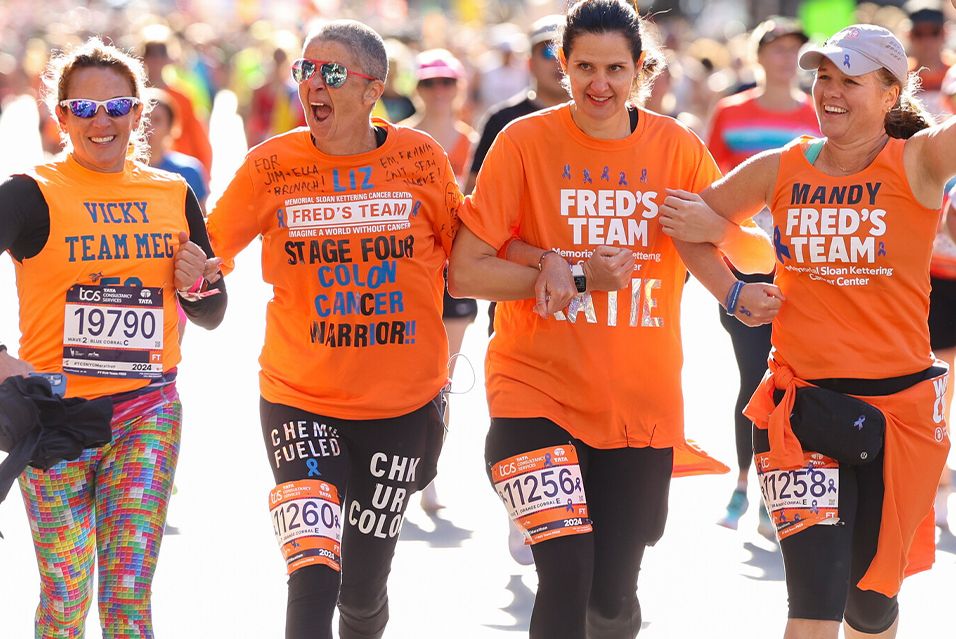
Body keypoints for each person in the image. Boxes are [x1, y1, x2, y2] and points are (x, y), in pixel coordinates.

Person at [448, 1, 774, 636]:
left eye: (615, 69)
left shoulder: (676, 147)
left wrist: (740, 289)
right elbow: (465, 270)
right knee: (564, 573)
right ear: (561, 66)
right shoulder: (523, 142)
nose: (599, 84)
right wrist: (561, 269)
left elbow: (725, 243)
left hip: (637, 404)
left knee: (611, 600)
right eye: (584, 67)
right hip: (531, 391)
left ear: (640, 71)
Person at [664, 23, 955, 639]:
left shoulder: (921, 161)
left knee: (870, 606)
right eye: (823, 76)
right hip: (803, 410)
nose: (830, 91)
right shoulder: (781, 167)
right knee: (813, 602)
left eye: (849, 80)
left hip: (897, 413)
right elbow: (691, 225)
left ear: (890, 92)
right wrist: (734, 293)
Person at [205, 20, 459, 639]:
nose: (313, 84)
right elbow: (207, 251)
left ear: (373, 89)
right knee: (313, 573)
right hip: (298, 401)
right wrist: (188, 269)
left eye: (333, 73)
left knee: (363, 589)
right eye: (305, 71)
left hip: (402, 407)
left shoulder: (421, 158)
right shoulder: (270, 166)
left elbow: (468, 257)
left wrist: (558, 267)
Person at [0, 37, 226, 637]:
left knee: (128, 602)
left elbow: (212, 312)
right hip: (55, 419)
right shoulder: (29, 192)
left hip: (146, 411)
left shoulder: (171, 193)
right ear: (61, 116)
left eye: (118, 107)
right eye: (85, 109)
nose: (103, 121)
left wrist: (197, 285)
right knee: (67, 598)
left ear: (140, 111)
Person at [706, 16, 820, 534]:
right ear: (759, 55)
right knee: (755, 377)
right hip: (741, 268)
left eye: (794, 49)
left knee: (798, 378)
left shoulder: (819, 114)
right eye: (776, 48)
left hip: (805, 270)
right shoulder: (731, 112)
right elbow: (708, 185)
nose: (784, 57)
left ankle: (777, 490)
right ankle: (743, 483)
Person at [400, 48, 478, 514]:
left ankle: (429, 474)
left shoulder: (471, 140)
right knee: (403, 374)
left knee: (444, 380)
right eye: (430, 83)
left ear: (459, 86)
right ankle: (399, 465)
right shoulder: (399, 137)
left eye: (446, 82)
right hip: (406, 274)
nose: (439, 91)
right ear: (418, 88)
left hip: (454, 273)